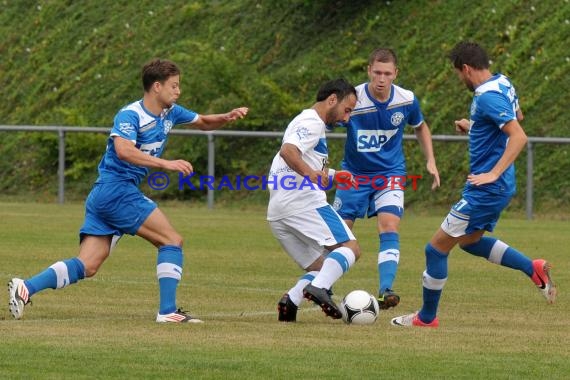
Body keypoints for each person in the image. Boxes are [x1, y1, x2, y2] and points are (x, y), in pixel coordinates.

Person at [8, 58, 249, 323]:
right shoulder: (130, 115)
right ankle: (168, 311)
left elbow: (203, 121)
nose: (178, 91)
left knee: (88, 265)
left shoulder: (170, 112)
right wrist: (165, 163)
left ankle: (25, 287)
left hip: (105, 195)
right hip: (117, 191)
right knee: (171, 240)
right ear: (157, 87)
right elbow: (123, 150)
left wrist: (226, 117)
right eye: (174, 86)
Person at [391, 41, 556, 328]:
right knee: (469, 242)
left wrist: (492, 173)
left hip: (487, 188)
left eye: (458, 74)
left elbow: (518, 135)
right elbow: (517, 116)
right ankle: (533, 268)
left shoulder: (487, 95)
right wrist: (476, 125)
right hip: (500, 187)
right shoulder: (502, 82)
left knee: (435, 250)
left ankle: (426, 318)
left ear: (466, 69)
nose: (460, 80)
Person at [333, 48, 440, 309]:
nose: (382, 78)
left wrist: (430, 160)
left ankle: (386, 289)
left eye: (387, 73)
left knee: (389, 225)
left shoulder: (406, 100)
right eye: (377, 72)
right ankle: (323, 285)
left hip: (389, 174)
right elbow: (326, 119)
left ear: (396, 74)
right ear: (369, 70)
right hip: (354, 175)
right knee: (339, 235)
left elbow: (420, 126)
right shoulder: (353, 99)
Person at [268, 78, 360, 322]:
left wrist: (333, 175)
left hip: (278, 212)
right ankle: (318, 290)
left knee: (321, 268)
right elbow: (288, 151)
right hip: (304, 204)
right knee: (350, 248)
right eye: (347, 110)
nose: (346, 118)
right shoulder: (312, 121)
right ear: (332, 99)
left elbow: (300, 164)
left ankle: (291, 301)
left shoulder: (305, 122)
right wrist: (311, 174)